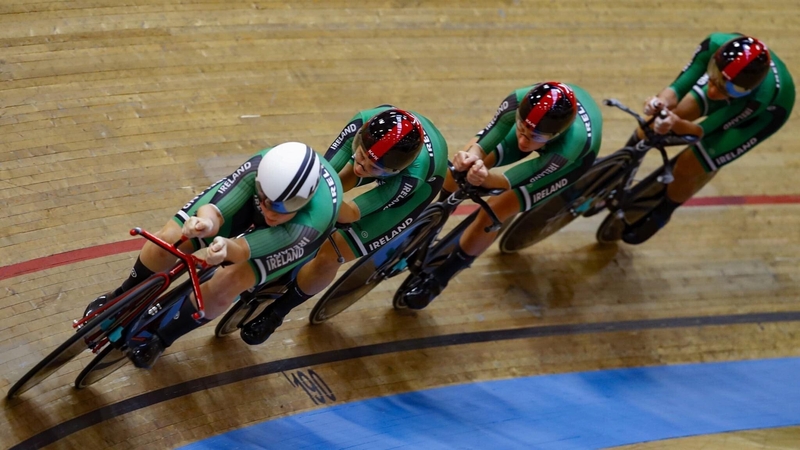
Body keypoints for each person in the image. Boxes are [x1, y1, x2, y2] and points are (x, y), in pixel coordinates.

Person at [83, 142, 343, 368]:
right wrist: (206, 224)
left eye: (283, 207)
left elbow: (240, 251)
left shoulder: (309, 221)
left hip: (295, 234)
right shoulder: (257, 169)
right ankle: (122, 296)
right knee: (169, 240)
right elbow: (216, 210)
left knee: (228, 281)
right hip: (259, 200)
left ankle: (162, 338)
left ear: (303, 200)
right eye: (265, 199)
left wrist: (223, 249)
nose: (270, 211)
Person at [239, 107, 449, 345]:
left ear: (392, 169)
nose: (362, 167)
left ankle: (278, 312)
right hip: (385, 151)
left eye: (373, 167)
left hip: (422, 185)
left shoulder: (410, 179)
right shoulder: (362, 122)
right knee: (319, 189)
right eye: (361, 154)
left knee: (333, 251)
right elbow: (321, 183)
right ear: (360, 137)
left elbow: (351, 213)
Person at [402, 81, 603, 309]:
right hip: (539, 129)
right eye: (521, 129)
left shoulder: (570, 145)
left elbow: (511, 181)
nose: (522, 141)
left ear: (555, 133)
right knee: (459, 170)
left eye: (533, 136)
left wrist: (485, 179)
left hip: (569, 162)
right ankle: (430, 223)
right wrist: (470, 159)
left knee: (497, 210)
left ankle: (440, 278)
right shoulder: (518, 101)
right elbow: (487, 139)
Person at [622, 33, 795, 244]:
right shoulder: (715, 45)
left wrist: (673, 124)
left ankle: (663, 213)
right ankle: (621, 166)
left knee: (688, 165)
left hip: (759, 117)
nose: (712, 92)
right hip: (731, 83)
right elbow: (677, 88)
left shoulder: (757, 100)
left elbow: (700, 132)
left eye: (722, 88)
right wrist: (659, 103)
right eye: (712, 78)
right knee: (651, 124)